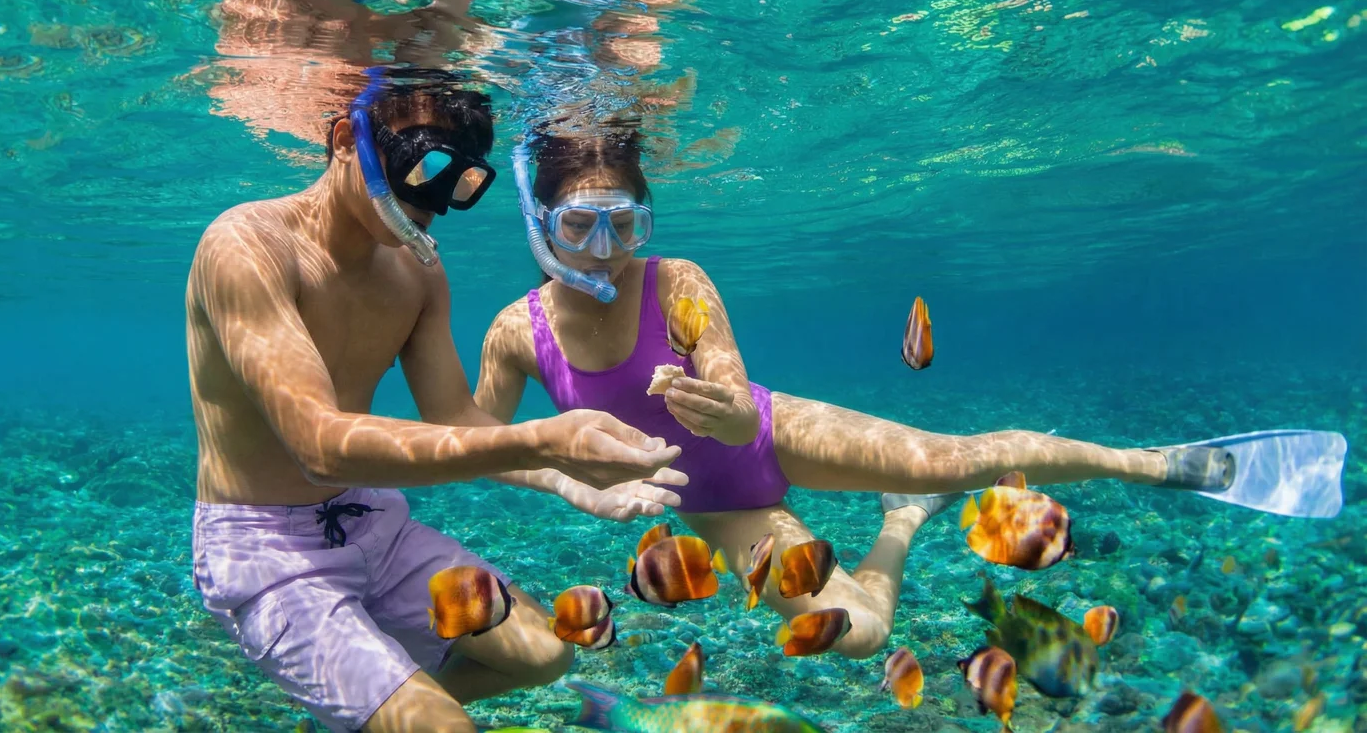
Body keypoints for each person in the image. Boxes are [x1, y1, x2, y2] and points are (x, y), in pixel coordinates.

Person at [472, 122, 1242, 661]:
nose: (604, 253)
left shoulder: (676, 279)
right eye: (579, 227)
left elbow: (738, 403)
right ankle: (901, 526)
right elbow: (475, 448)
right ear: (540, 225)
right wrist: (563, 478)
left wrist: (730, 415)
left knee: (957, 460)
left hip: (778, 432)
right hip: (723, 509)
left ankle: (1158, 462)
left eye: (624, 226)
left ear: (646, 222)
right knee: (863, 632)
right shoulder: (515, 333)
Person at [185, 71, 689, 733]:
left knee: (545, 654)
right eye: (419, 170)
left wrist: (568, 482)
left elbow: (456, 418)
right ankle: (394, 710)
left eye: (457, 186)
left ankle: (380, 710)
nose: (430, 205)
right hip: (265, 541)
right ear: (346, 140)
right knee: (440, 726)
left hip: (371, 521)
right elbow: (319, 446)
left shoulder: (417, 269)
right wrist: (545, 439)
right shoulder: (247, 247)